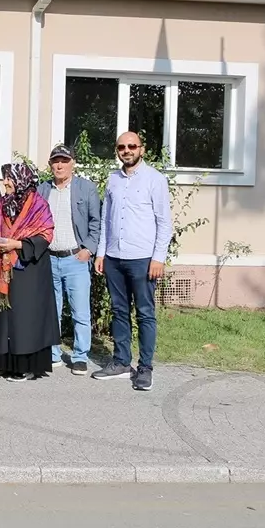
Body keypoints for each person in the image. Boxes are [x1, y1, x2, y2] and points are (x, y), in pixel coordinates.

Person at [93, 131, 172, 391]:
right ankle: (121, 362)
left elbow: (164, 222)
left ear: (142, 149)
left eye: (131, 146)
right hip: (115, 257)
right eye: (121, 147)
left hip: (143, 258)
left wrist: (158, 258)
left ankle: (146, 367)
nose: (126, 150)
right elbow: (106, 220)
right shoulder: (113, 179)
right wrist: (102, 253)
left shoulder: (155, 180)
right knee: (119, 311)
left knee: (146, 314)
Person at [0, 163, 59, 382]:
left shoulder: (38, 205)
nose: (5, 182)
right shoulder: (0, 205)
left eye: (9, 178)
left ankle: (23, 367)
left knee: (23, 321)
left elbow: (45, 234)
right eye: (5, 178)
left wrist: (16, 244)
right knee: (1, 319)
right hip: (1, 269)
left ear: (22, 180)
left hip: (28, 270)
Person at [37, 144, 102, 376]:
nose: (60, 165)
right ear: (50, 164)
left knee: (80, 311)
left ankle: (80, 356)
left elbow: (96, 222)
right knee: (50, 310)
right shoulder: (42, 189)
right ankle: (52, 353)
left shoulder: (86, 188)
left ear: (72, 162)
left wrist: (88, 249)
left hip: (75, 258)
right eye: (56, 161)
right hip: (49, 259)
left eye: (64, 160)